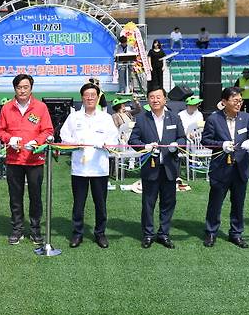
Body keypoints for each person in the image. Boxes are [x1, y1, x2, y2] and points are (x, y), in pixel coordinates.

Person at [0, 74, 54, 246]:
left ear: (31, 88)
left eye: (25, 87)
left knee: (35, 196)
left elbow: (48, 130)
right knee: (15, 197)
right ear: (15, 89)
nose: (22, 90)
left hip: (35, 160)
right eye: (19, 87)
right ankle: (17, 229)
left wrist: (37, 141)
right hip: (14, 160)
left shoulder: (41, 107)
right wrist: (9, 139)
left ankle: (35, 230)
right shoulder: (6, 108)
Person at [59, 83, 118, 249]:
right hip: (80, 168)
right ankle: (77, 233)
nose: (90, 98)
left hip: (99, 168)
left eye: (93, 95)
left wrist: (106, 144)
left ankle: (100, 233)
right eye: (87, 95)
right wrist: (75, 143)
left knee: (100, 203)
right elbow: (64, 137)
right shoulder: (74, 117)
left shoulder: (106, 118)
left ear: (98, 97)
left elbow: (114, 140)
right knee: (78, 203)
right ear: (82, 97)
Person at [202, 87, 249, 249]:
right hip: (220, 168)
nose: (238, 104)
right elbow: (205, 140)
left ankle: (236, 233)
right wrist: (221, 145)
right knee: (215, 202)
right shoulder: (214, 119)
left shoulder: (247, 118)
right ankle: (211, 231)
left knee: (238, 203)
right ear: (224, 102)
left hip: (240, 167)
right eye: (235, 101)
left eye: (240, 101)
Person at [128, 87, 185, 249]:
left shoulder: (174, 118)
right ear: (148, 100)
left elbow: (182, 138)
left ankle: (164, 234)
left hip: (169, 167)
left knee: (168, 202)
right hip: (150, 168)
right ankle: (148, 234)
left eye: (158, 97)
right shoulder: (141, 119)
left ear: (165, 99)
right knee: (148, 203)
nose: (155, 100)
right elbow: (133, 140)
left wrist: (176, 145)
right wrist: (145, 146)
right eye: (152, 97)